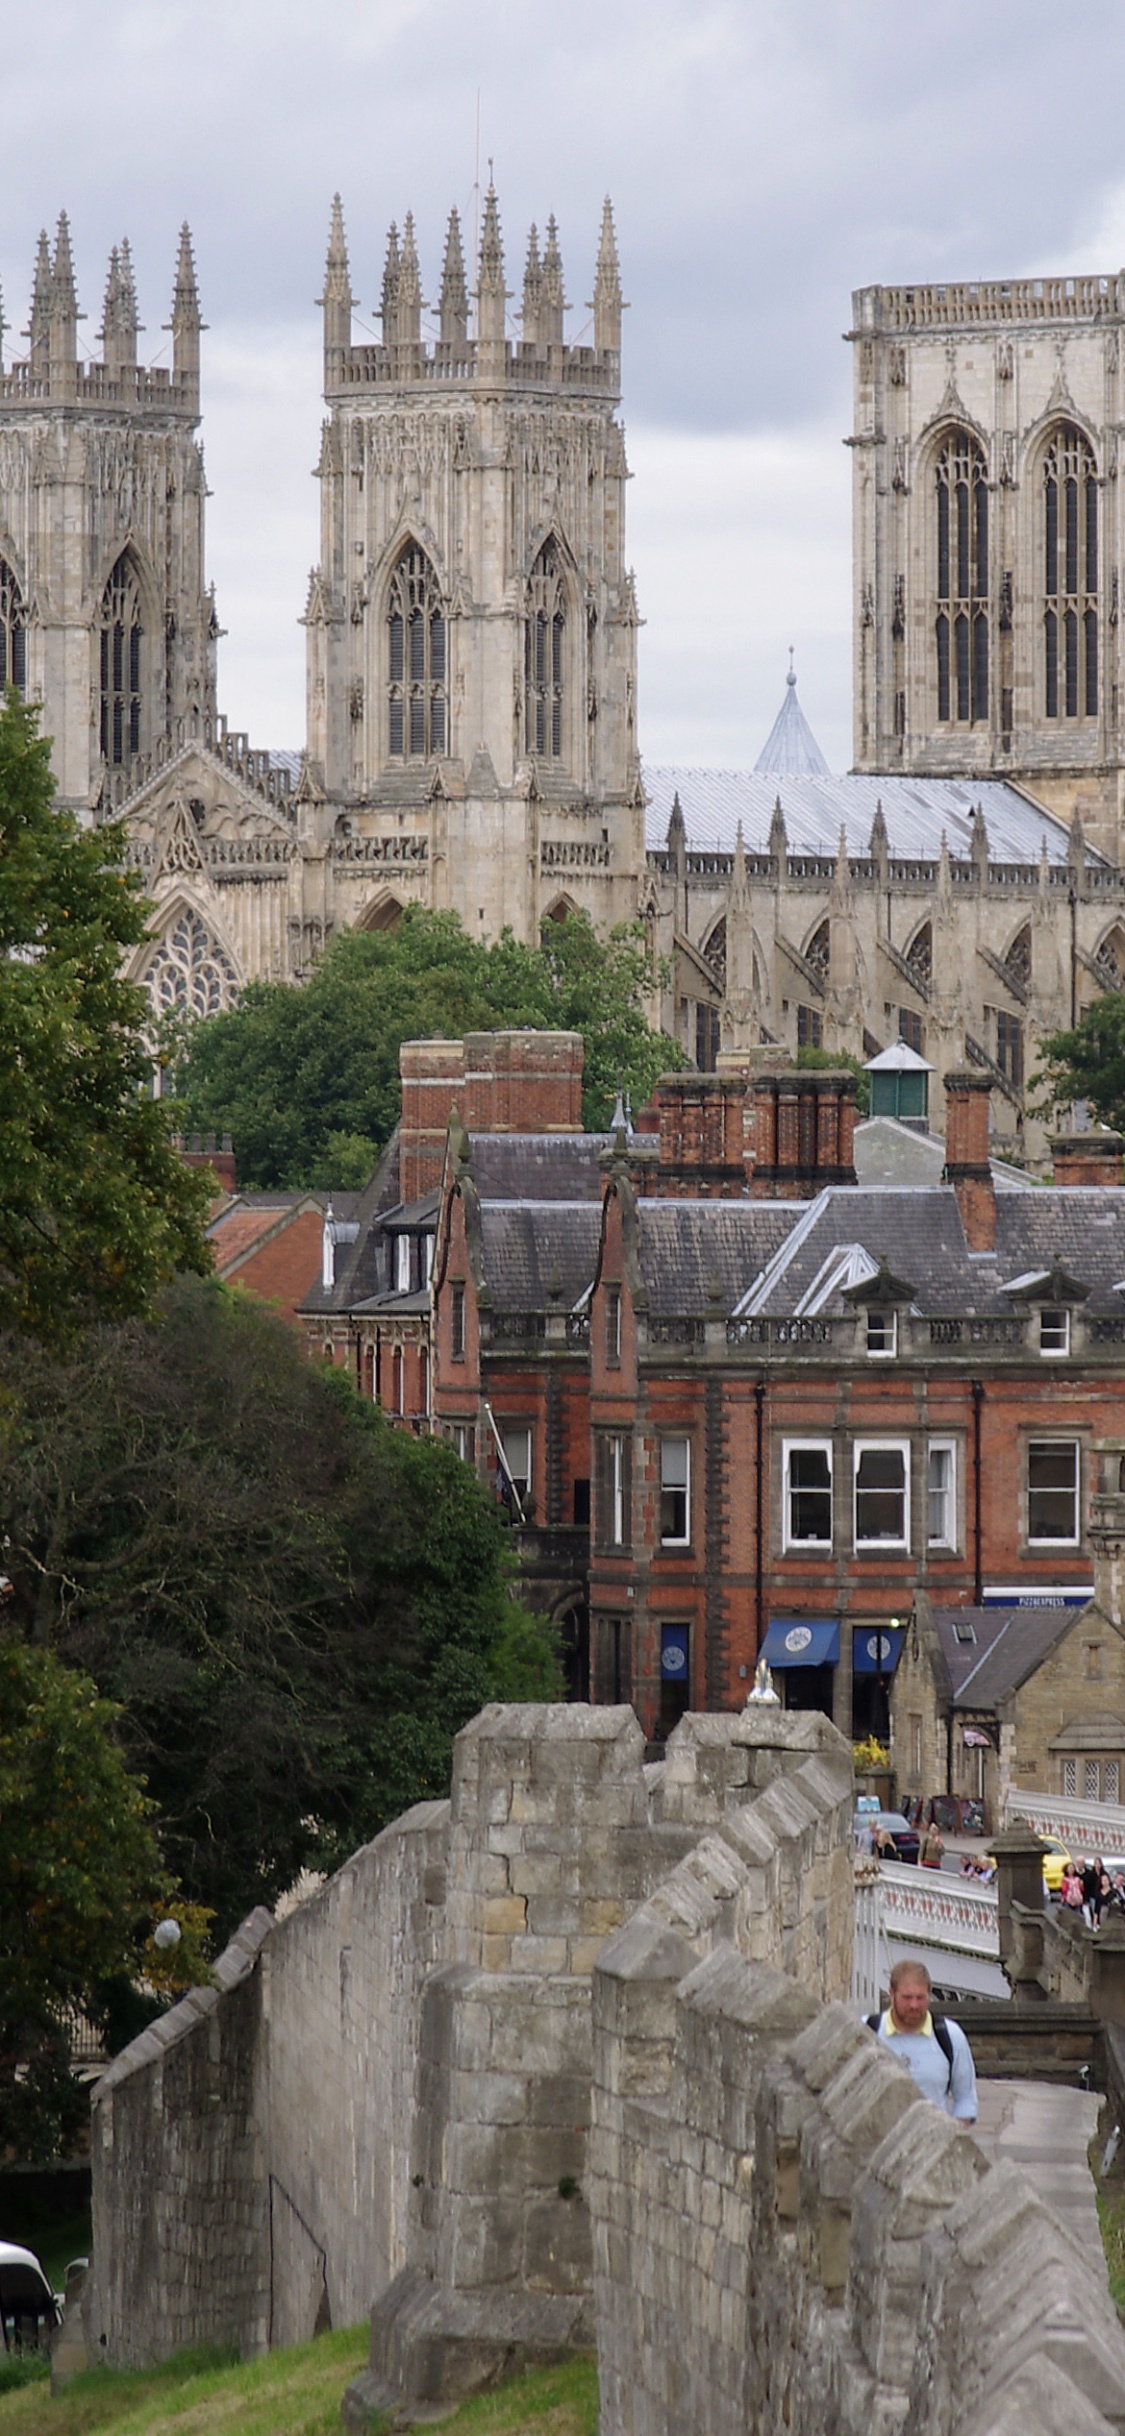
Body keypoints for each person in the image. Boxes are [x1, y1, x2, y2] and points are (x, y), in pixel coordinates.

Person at [865, 1959, 977, 2123]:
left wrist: (952, 2138)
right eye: (907, 1997)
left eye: (920, 1997)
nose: (914, 2005)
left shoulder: (949, 2036)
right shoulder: (868, 2032)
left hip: (934, 2141)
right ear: (891, 1994)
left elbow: (965, 2099)